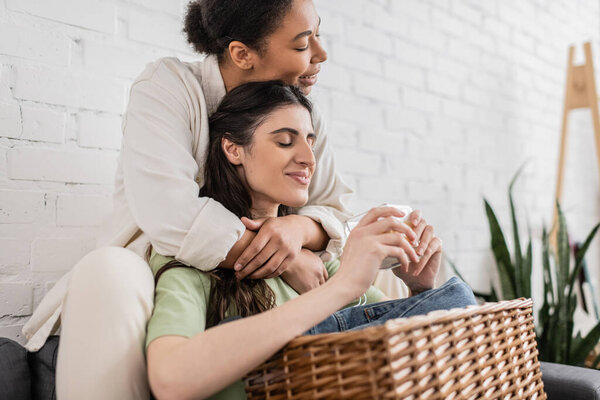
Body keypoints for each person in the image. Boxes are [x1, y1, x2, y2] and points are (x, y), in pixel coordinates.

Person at [20, 0, 442, 398]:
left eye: (317, 35)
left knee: (388, 267)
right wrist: (287, 258)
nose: (321, 53)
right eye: (301, 43)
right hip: (168, 268)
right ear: (242, 54)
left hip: (278, 271)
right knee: (109, 271)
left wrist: (300, 228)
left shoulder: (305, 110)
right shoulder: (170, 87)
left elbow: (333, 209)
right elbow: (172, 215)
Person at [146, 80, 476, 400]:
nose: (309, 158)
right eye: (286, 142)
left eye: (310, 142)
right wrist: (342, 287)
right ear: (233, 149)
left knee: (454, 301)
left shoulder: (319, 263)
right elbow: (170, 382)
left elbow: (408, 356)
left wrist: (420, 289)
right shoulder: (193, 262)